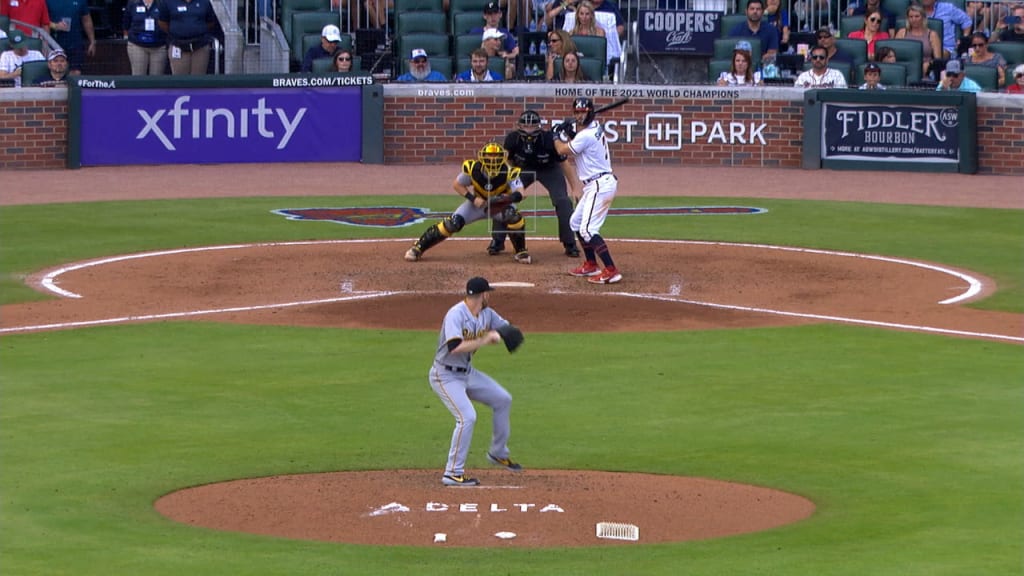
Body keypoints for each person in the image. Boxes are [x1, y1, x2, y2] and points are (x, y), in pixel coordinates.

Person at [428, 276, 522, 487]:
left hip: (467, 373)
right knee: (467, 417)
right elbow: (455, 347)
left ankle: (498, 453)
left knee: (503, 399)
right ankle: (452, 472)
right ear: (482, 295)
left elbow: (507, 328)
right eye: (488, 292)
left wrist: (504, 333)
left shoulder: (486, 313)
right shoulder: (456, 314)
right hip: (445, 375)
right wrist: (485, 339)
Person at [404, 142, 532, 264]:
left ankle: (521, 250)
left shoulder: (509, 171)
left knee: (514, 217)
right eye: (489, 157)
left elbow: (522, 193)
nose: (492, 160)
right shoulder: (473, 169)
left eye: (496, 157)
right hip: (478, 204)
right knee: (453, 223)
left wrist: (506, 198)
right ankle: (418, 247)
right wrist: (472, 198)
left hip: (499, 206)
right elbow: (457, 184)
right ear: (482, 158)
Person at [553, 97, 623, 285]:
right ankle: (591, 263)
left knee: (587, 229)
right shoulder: (592, 129)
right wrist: (569, 132)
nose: (579, 115)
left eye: (583, 112)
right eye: (576, 112)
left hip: (600, 184)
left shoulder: (587, 135)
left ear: (590, 111)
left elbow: (562, 150)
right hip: (594, 184)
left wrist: (557, 135)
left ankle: (611, 270)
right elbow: (577, 138)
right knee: (575, 222)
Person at [497, 109, 580, 257]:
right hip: (522, 169)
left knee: (563, 202)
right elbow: (506, 163)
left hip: (549, 169)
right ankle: (497, 241)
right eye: (525, 126)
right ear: (519, 126)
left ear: (539, 126)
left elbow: (564, 163)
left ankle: (570, 243)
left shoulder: (548, 139)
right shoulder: (512, 138)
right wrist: (513, 186)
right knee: (503, 197)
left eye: (532, 126)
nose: (529, 130)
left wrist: (575, 188)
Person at [157, 0, 216, 75]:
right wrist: (178, 32)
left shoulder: (204, 2)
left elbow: (210, 22)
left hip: (200, 46)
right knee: (180, 80)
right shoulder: (168, 2)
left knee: (199, 79)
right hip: (178, 45)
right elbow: (162, 22)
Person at [45, 0, 96, 74]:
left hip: (75, 43)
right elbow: (41, 20)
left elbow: (86, 20)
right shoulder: (47, 1)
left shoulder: (81, 1)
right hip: (54, 44)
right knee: (56, 73)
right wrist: (55, 26)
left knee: (75, 72)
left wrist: (92, 41)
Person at [895, 5, 942, 78]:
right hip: (904, 70)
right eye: (911, 17)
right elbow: (894, 54)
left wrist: (929, 64)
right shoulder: (902, 33)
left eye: (917, 16)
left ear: (923, 18)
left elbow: (938, 60)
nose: (913, 19)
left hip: (925, 71)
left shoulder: (932, 35)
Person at [123, 0, 168, 75]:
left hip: (159, 46)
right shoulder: (133, 2)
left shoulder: (163, 2)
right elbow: (126, 23)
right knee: (138, 78)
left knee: (157, 80)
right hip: (137, 45)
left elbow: (168, 21)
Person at [729, 0, 780, 66]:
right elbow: (733, 56)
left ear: (762, 12)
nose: (755, 11)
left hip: (763, 68)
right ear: (746, 11)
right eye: (752, 9)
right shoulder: (736, 31)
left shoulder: (771, 30)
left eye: (758, 9)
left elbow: (772, 54)